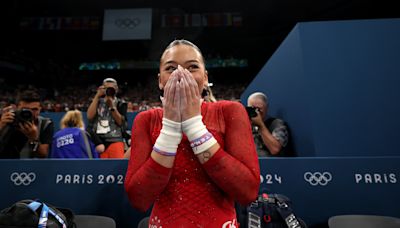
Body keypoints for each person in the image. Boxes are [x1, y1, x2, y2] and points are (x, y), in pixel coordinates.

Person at [124, 39, 260, 227]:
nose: (181, 74)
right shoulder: (146, 120)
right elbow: (139, 199)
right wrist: (170, 128)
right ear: (160, 80)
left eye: (192, 67)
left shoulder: (230, 112)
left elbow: (247, 192)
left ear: (205, 78)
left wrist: (193, 126)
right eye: (171, 68)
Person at [0, 90, 54, 158]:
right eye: (25, 109)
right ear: (16, 108)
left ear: (40, 109)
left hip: (32, 166)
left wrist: (33, 139)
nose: (30, 113)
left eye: (34, 109)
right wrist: (1, 126)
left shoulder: (45, 124)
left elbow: (43, 155)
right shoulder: (7, 120)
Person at [87, 78, 128, 158]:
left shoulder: (121, 103)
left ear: (116, 89)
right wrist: (97, 96)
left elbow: (120, 122)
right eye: (107, 88)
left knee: (117, 167)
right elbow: (89, 116)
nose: (109, 90)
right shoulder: (97, 102)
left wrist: (112, 107)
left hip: (115, 139)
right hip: (98, 141)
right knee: (101, 169)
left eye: (111, 88)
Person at [247, 92, 291, 156]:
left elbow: (275, 149)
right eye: (252, 109)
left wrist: (260, 125)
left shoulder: (276, 124)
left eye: (259, 109)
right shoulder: (246, 125)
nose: (256, 112)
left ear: (266, 107)